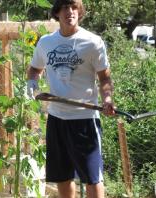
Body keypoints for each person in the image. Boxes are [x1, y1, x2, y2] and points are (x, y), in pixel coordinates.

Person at [27, 0, 115, 197]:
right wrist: (31, 84)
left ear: (79, 11)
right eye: (65, 7)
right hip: (57, 119)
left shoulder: (92, 42)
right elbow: (34, 69)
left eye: (74, 7)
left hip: (84, 120)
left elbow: (104, 78)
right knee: (62, 176)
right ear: (57, 13)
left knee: (93, 178)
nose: (70, 12)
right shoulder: (46, 42)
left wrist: (107, 99)